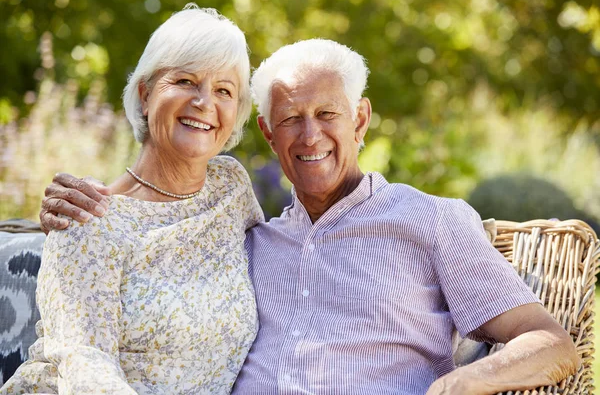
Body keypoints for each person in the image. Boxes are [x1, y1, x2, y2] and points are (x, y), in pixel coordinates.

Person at [38, 39, 579, 394]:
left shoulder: (432, 221)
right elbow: (155, 220)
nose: (310, 135)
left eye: (327, 115)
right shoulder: (247, 230)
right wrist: (83, 202)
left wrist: (458, 385)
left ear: (360, 120)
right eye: (291, 119)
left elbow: (551, 344)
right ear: (268, 134)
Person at [1, 5, 263, 395]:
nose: (205, 102)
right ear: (145, 94)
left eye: (224, 90)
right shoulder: (87, 216)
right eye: (186, 81)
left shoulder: (231, 188)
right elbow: (86, 364)